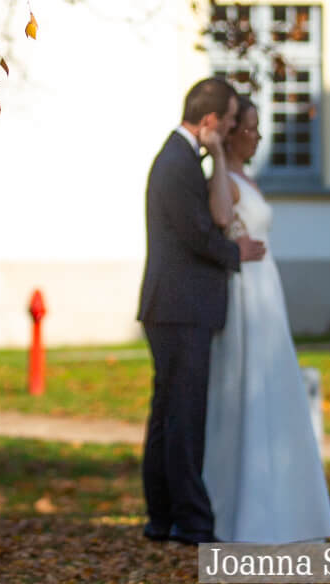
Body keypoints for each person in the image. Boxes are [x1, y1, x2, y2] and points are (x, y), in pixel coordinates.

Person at [139, 77, 268, 545]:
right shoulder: (177, 163)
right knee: (182, 418)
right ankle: (192, 522)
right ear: (211, 120)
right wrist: (237, 254)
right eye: (231, 120)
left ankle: (163, 515)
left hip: (173, 306)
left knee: (169, 417)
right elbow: (196, 233)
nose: (233, 128)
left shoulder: (179, 158)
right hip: (180, 306)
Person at [201, 101, 330, 542]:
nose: (258, 137)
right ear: (233, 132)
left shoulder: (249, 179)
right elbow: (221, 216)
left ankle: (283, 502)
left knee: (276, 387)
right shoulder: (225, 177)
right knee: (244, 387)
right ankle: (240, 506)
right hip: (245, 295)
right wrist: (218, 156)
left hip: (266, 290)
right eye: (252, 129)